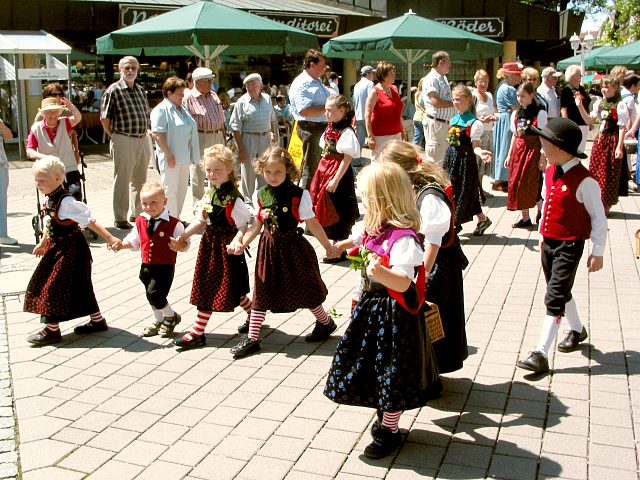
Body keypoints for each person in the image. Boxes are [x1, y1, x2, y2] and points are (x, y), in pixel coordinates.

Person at [325, 161, 441, 459]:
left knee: (393, 368)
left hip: (394, 315)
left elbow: (404, 282)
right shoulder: (378, 228)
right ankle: (386, 413)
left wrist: (381, 273)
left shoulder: (403, 239)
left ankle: (389, 429)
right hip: (372, 310)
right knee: (374, 365)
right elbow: (361, 239)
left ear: (384, 200)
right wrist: (342, 244)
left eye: (368, 199)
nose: (364, 204)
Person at [229, 147, 340, 358]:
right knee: (262, 290)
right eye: (268, 172)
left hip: (294, 249)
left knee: (306, 288)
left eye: (277, 172)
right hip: (269, 249)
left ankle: (325, 322)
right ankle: (253, 338)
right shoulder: (260, 194)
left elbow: (312, 223)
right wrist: (243, 244)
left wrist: (327, 246)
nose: (272, 177)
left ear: (288, 171)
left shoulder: (299, 195)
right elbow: (257, 225)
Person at [517, 118, 607, 374]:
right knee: (559, 288)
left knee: (554, 295)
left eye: (545, 145)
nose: (542, 149)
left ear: (561, 148)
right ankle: (577, 329)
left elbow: (599, 219)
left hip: (570, 244)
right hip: (549, 240)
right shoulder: (550, 170)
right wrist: (540, 232)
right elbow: (546, 201)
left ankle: (540, 353)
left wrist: (597, 252)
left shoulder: (585, 181)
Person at [381, 140, 469, 374]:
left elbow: (433, 240)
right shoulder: (414, 186)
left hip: (437, 263)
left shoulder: (429, 195)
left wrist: (423, 275)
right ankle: (423, 371)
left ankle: (431, 372)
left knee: (433, 317)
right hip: (428, 260)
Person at [23, 156, 119, 345]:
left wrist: (110, 237)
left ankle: (52, 330)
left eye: (42, 180)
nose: (38, 184)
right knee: (80, 285)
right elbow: (50, 222)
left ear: (58, 178)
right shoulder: (50, 198)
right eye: (36, 180)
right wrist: (43, 242)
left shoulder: (66, 202)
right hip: (57, 248)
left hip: (72, 250)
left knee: (53, 286)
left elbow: (89, 221)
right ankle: (98, 321)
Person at [170, 145, 253, 349]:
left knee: (226, 287)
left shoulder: (234, 198)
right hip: (210, 247)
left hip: (226, 248)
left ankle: (198, 332)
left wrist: (238, 240)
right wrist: (183, 236)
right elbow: (201, 220)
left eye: (217, 170)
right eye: (208, 170)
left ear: (229, 170)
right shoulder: (210, 194)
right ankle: (253, 315)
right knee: (212, 286)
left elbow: (244, 225)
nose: (212, 174)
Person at [112, 182, 186, 336]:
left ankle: (171, 316)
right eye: (145, 203)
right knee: (149, 294)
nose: (149, 207)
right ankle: (158, 319)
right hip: (146, 265)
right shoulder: (140, 221)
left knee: (156, 293)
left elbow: (184, 242)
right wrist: (121, 245)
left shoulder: (173, 223)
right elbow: (135, 240)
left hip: (164, 266)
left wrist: (180, 245)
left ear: (164, 201)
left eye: (154, 202)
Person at [101, 56, 151, 230]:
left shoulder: (140, 90)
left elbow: (145, 114)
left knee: (140, 180)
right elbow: (104, 118)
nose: (130, 71)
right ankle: (120, 217)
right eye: (126, 68)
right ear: (119, 70)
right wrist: (115, 136)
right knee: (122, 179)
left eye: (133, 68)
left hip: (142, 138)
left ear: (138, 70)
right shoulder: (113, 90)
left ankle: (137, 213)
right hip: (123, 137)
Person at [309, 95, 360, 261]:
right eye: (325, 109)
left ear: (342, 110)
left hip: (338, 173)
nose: (326, 113)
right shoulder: (330, 128)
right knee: (326, 206)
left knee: (339, 209)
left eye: (330, 110)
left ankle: (339, 249)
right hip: (325, 169)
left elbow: (347, 158)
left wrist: (336, 179)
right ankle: (333, 247)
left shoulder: (346, 131)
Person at [444, 85, 493, 235]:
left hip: (465, 161)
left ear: (468, 99)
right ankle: (482, 219)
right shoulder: (453, 119)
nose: (455, 102)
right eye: (453, 99)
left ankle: (455, 223)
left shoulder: (474, 123)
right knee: (455, 191)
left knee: (464, 192)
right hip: (453, 158)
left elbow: (475, 146)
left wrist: (481, 153)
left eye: (458, 99)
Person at [151, 76, 199, 220]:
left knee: (182, 190)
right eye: (179, 93)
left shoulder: (182, 109)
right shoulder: (161, 109)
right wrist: (169, 154)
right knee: (170, 191)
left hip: (184, 157)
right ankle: (168, 220)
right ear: (169, 93)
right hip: (170, 158)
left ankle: (176, 219)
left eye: (183, 93)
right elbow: (157, 135)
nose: (182, 96)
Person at [230, 73, 278, 211]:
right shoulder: (241, 102)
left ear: (261, 85)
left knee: (265, 168)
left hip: (265, 138)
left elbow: (273, 120)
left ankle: (264, 199)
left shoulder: (267, 99)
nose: (251, 87)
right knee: (248, 170)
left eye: (254, 84)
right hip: (248, 138)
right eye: (248, 85)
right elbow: (235, 127)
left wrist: (273, 134)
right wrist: (241, 149)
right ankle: (247, 202)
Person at [505, 82, 548, 228]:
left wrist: (543, 155)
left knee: (531, 182)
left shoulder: (540, 112)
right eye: (518, 95)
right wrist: (509, 155)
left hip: (533, 149)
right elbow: (515, 135)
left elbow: (543, 136)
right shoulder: (516, 113)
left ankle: (541, 210)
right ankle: (525, 218)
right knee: (518, 183)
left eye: (523, 96)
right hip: (519, 149)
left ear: (532, 95)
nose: (519, 99)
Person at [183, 67, 227, 207]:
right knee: (199, 172)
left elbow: (221, 119)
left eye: (211, 80)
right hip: (200, 136)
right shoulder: (189, 99)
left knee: (219, 169)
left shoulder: (214, 95)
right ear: (197, 82)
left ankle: (218, 202)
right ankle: (199, 207)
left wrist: (224, 138)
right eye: (207, 81)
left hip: (217, 135)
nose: (210, 84)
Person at [289, 49, 332, 189]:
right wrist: (329, 107)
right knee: (311, 167)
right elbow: (305, 111)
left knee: (321, 166)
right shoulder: (302, 83)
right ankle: (308, 201)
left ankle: (317, 198)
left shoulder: (317, 80)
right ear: (312, 65)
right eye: (322, 65)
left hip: (320, 127)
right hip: (310, 128)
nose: (324, 68)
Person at [27, 97, 83, 200]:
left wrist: (71, 107)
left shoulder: (65, 122)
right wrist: (43, 157)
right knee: (55, 200)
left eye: (55, 111)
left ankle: (74, 216)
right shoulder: (36, 128)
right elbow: (30, 150)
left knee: (75, 195)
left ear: (59, 112)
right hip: (49, 172)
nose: (53, 114)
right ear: (43, 113)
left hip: (69, 168)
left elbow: (77, 118)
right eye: (49, 112)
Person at [589, 75, 628, 215]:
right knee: (595, 171)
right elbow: (590, 119)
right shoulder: (599, 103)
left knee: (609, 172)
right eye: (603, 86)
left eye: (607, 87)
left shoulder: (620, 104)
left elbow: (622, 127)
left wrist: (619, 146)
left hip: (612, 140)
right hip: (601, 139)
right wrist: (580, 105)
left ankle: (606, 206)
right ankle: (596, 202)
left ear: (615, 88)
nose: (604, 89)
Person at [421, 51, 456, 166]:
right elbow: (435, 102)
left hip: (444, 124)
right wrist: (454, 103)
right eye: (448, 62)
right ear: (441, 62)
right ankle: (433, 183)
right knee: (435, 161)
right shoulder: (432, 79)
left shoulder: (443, 78)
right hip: (436, 124)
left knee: (443, 160)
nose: (450, 65)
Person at [365, 62, 405, 161]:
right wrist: (370, 137)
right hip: (380, 136)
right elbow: (367, 116)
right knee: (379, 164)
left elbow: (397, 113)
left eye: (394, 72)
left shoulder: (394, 89)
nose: (394, 74)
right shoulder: (375, 92)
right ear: (383, 74)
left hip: (396, 134)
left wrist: (402, 130)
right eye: (391, 72)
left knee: (395, 163)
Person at [493, 62, 522, 192]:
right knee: (506, 148)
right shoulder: (509, 89)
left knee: (501, 148)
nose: (519, 78)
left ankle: (499, 178)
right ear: (509, 75)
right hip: (507, 119)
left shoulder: (501, 86)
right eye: (517, 75)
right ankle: (500, 180)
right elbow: (517, 106)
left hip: (501, 118)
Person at [472, 69, 497, 199]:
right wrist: (483, 120)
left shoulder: (490, 96)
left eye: (485, 81)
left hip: (488, 132)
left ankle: (481, 189)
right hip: (477, 133)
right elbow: (470, 115)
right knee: (476, 162)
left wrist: (494, 116)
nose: (483, 84)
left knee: (483, 164)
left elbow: (493, 110)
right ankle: (475, 191)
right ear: (476, 82)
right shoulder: (473, 96)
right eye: (480, 81)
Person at [560, 64, 591, 153]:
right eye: (579, 74)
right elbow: (563, 108)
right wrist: (566, 125)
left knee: (581, 150)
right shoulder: (567, 90)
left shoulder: (581, 89)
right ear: (572, 76)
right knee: (573, 150)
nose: (581, 76)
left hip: (584, 123)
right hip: (573, 123)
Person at [352, 65, 375, 169]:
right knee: (372, 140)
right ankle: (372, 162)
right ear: (368, 74)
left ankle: (356, 162)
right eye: (372, 73)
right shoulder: (370, 84)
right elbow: (372, 100)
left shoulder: (357, 85)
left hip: (358, 116)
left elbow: (354, 100)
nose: (373, 76)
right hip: (368, 116)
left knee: (360, 142)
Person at [0, 116, 15, 245]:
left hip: (0, 164)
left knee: (1, 200)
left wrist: (2, 126)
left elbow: (9, 136)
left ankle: (2, 234)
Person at [413, 78, 426, 148]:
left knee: (417, 138)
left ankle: (413, 153)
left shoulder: (417, 93)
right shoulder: (424, 94)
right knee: (427, 139)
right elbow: (425, 106)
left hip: (416, 117)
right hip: (423, 117)